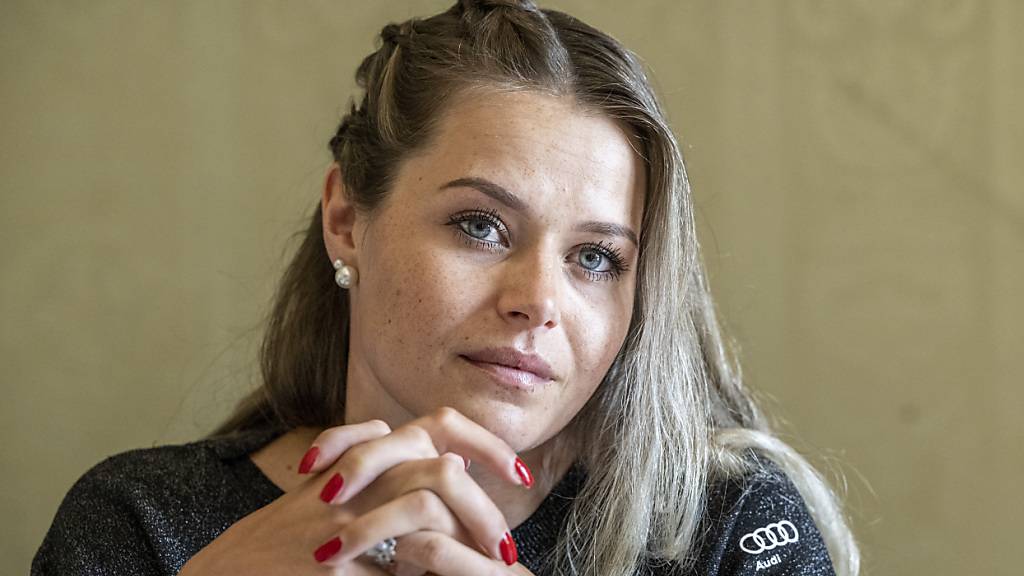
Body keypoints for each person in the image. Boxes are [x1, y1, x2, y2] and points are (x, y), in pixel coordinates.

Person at [32, 1, 860, 575]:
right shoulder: (138, 524)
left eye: (596, 258)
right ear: (346, 218)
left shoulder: (727, 530)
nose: (539, 300)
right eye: (480, 226)